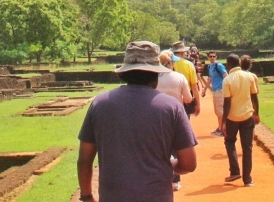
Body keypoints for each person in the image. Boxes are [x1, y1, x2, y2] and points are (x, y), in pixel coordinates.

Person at [77, 41, 197, 202]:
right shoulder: (171, 106)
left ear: (125, 73)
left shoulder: (100, 103)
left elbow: (84, 160)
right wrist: (167, 166)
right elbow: (189, 163)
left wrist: (86, 196)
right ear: (155, 73)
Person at [222, 52, 260, 187]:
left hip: (232, 117)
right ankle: (247, 179)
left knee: (230, 142)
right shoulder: (249, 76)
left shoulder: (227, 80)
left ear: (229, 64)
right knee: (247, 148)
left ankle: (235, 171)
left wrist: (223, 122)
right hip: (247, 116)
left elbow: (227, 103)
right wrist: (256, 113)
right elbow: (254, 97)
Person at [157, 51, 193, 191]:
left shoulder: (155, 78)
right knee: (176, 148)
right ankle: (175, 180)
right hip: (176, 116)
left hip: (158, 117)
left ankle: (161, 177)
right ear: (171, 63)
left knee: (161, 147)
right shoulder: (179, 77)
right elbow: (188, 99)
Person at [170, 41, 201, 118]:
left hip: (170, 96)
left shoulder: (167, 63)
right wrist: (198, 104)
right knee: (184, 122)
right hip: (186, 96)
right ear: (183, 52)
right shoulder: (188, 64)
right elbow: (194, 87)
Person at [204, 51, 228, 136]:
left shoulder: (219, 66)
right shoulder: (210, 67)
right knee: (217, 111)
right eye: (210, 56)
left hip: (220, 90)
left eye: (214, 56)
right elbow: (209, 79)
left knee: (220, 110)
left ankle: (223, 130)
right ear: (208, 58)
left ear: (216, 57)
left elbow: (226, 76)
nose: (212, 58)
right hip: (215, 90)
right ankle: (220, 127)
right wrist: (204, 90)